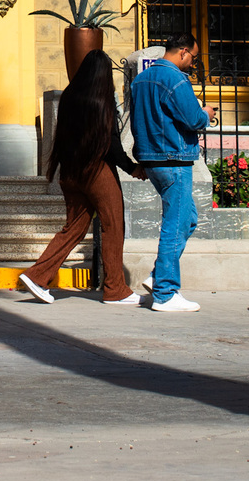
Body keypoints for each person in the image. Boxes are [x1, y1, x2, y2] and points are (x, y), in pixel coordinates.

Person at [15, 50, 146, 305]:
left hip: (70, 170)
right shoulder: (102, 100)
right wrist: (132, 168)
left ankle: (37, 276)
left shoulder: (69, 97)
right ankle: (115, 289)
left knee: (73, 228)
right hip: (96, 170)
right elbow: (111, 144)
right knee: (113, 225)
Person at [129, 33, 209, 313]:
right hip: (174, 158)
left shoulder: (140, 80)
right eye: (193, 57)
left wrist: (141, 157)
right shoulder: (175, 79)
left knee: (187, 218)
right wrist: (207, 113)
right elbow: (194, 119)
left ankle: (157, 276)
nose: (193, 63)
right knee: (176, 223)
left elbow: (136, 121)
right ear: (183, 51)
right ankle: (165, 292)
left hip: (152, 159)